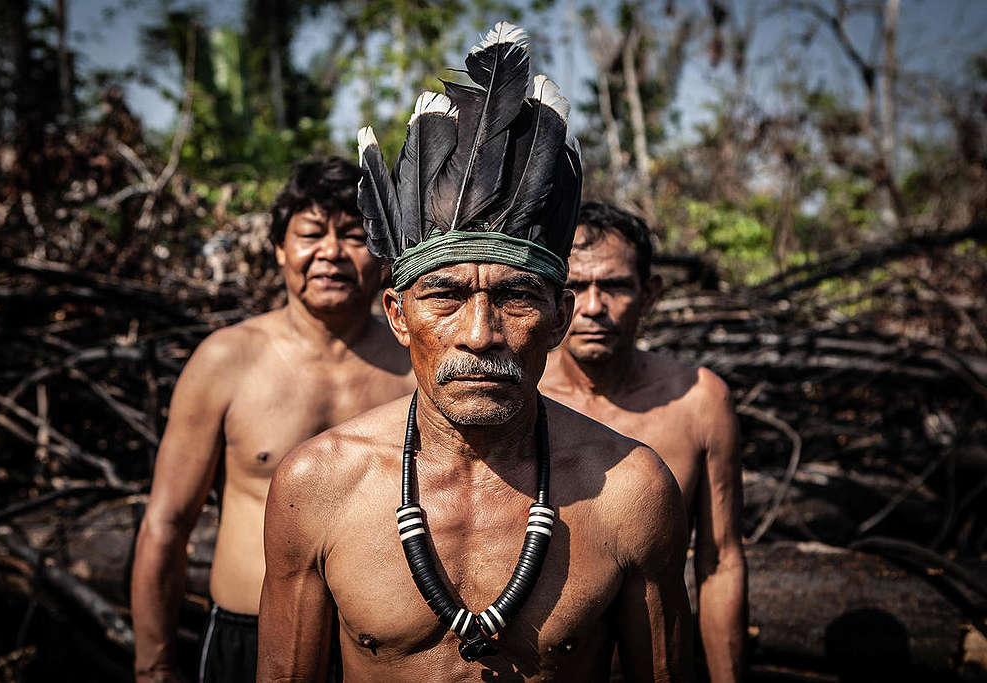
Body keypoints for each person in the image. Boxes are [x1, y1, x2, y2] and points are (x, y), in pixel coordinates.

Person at [258, 23, 693, 682]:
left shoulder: (630, 491)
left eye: (517, 297)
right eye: (446, 296)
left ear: (560, 318)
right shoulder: (318, 485)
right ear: (398, 315)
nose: (481, 333)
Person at [130, 157, 416, 683]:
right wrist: (153, 667)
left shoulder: (417, 365)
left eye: (353, 236)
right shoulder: (226, 360)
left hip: (381, 646)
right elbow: (166, 524)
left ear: (382, 254)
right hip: (246, 634)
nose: (330, 252)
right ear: (281, 249)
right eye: (310, 234)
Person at [539, 201, 747, 682]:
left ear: (649, 293)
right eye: (575, 286)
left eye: (613, 286)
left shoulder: (698, 400)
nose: (593, 308)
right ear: (553, 295)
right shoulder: (519, 399)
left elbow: (722, 561)